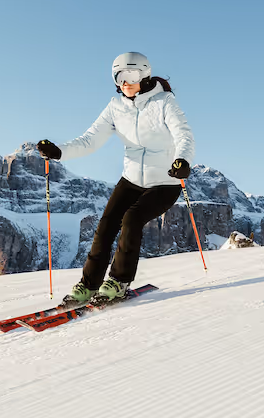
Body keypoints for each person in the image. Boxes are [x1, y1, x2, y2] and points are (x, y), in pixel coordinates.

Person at [34, 52, 195, 306]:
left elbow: (183, 135)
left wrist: (183, 161)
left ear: (144, 75)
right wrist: (59, 152)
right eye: (119, 77)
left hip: (165, 182)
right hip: (131, 179)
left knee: (132, 218)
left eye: (131, 76)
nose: (125, 82)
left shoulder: (165, 102)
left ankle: (118, 282)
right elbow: (90, 140)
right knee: (106, 225)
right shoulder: (115, 107)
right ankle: (88, 285)